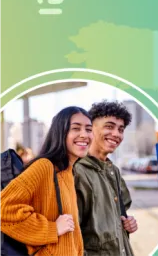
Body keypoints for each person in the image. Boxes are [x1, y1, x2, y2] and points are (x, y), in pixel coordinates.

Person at [0, 106, 91, 255]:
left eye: (88, 129)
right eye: (76, 128)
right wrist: (52, 229)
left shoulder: (68, 172)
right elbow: (3, 209)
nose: (84, 135)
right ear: (61, 132)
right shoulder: (45, 166)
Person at [74, 101, 137, 256]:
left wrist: (127, 222)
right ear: (90, 129)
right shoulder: (77, 171)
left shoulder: (113, 171)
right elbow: (72, 234)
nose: (116, 134)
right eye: (109, 126)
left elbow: (118, 214)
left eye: (121, 129)